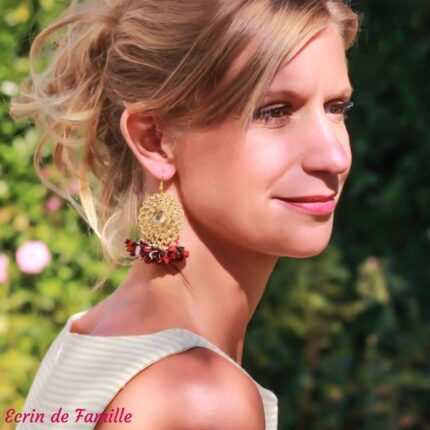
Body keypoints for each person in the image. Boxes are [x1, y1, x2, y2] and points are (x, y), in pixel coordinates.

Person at [10, 0, 362, 428]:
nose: (334, 157)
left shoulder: (90, 334)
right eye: (273, 112)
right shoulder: (198, 396)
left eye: (336, 108)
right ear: (155, 140)